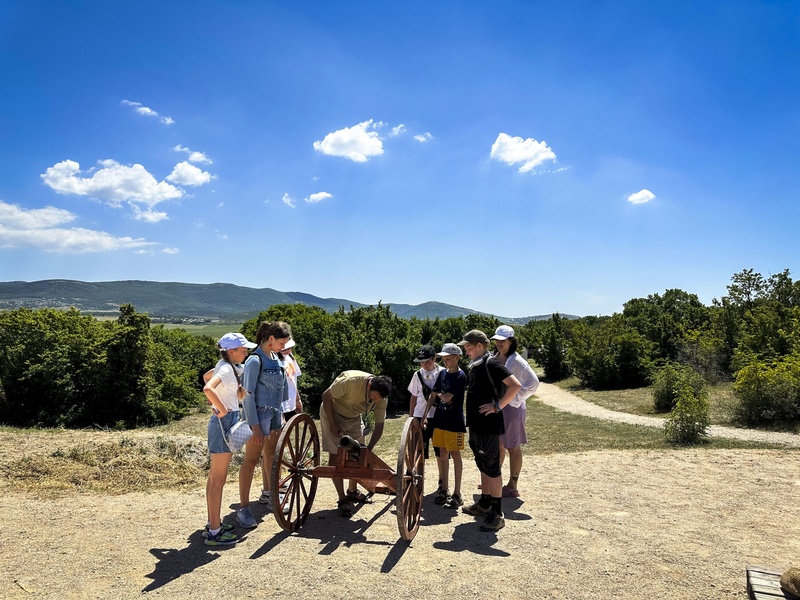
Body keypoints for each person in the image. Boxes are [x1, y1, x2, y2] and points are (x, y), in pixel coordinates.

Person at [458, 329, 521, 532]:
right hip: (477, 425)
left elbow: (515, 385)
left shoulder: (491, 363)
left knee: (492, 469)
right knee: (483, 464)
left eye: (469, 347)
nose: (466, 351)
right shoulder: (476, 365)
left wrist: (498, 406)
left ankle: (497, 513)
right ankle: (484, 504)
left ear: (479, 346)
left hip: (489, 426)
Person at [202, 332, 256, 546]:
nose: (246, 352)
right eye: (243, 350)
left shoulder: (228, 366)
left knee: (215, 478)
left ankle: (212, 524)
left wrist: (217, 404)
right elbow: (208, 387)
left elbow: (207, 377)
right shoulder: (226, 368)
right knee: (218, 480)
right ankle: (215, 533)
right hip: (224, 423)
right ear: (231, 351)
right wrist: (222, 409)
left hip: (225, 422)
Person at [236, 321, 292, 529]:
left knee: (271, 455)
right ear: (270, 340)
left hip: (275, 414)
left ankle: (269, 495)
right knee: (250, 461)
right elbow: (247, 396)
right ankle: (243, 509)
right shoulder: (254, 361)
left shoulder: (275, 358)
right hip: (258, 416)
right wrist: (255, 426)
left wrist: (283, 414)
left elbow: (281, 390)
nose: (283, 346)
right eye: (281, 342)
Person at [320, 370, 392, 517]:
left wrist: (369, 449)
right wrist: (333, 424)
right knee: (335, 459)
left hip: (353, 418)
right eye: (374, 397)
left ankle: (352, 491)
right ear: (369, 385)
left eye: (379, 399)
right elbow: (326, 396)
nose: (376, 401)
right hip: (332, 413)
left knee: (357, 455)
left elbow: (379, 425)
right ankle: (342, 499)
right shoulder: (351, 381)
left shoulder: (381, 399)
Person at [491, 325, 540, 498]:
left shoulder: (517, 361)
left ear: (511, 341)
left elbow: (533, 383)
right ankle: (495, 480)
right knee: (500, 445)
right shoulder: (495, 357)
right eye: (497, 340)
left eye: (502, 341)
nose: (499, 343)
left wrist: (516, 398)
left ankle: (513, 485)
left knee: (512, 446)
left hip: (512, 409)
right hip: (500, 407)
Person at [421, 343, 467, 509]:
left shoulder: (460, 376)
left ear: (457, 358)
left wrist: (438, 393)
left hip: (454, 421)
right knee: (442, 453)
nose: (446, 362)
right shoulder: (442, 374)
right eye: (444, 359)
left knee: (455, 455)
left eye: (448, 359)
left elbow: (446, 397)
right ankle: (444, 489)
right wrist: (425, 414)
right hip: (440, 419)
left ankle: (457, 493)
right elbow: (433, 396)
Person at [259, 337, 303, 504]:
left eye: (289, 348)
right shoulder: (275, 362)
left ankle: (276, 481)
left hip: (290, 405)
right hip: (280, 408)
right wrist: (282, 412)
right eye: (285, 348)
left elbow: (293, 382)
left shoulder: (290, 359)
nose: (287, 350)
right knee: (271, 450)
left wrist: (298, 399)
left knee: (281, 447)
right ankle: (269, 487)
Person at [407, 344, 444, 468]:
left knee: (440, 451)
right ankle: (417, 479)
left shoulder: (443, 372)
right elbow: (413, 396)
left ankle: (441, 480)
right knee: (419, 449)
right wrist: (411, 416)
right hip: (419, 414)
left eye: (426, 361)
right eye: (421, 362)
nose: (424, 364)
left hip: (439, 416)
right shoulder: (417, 375)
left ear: (434, 359)